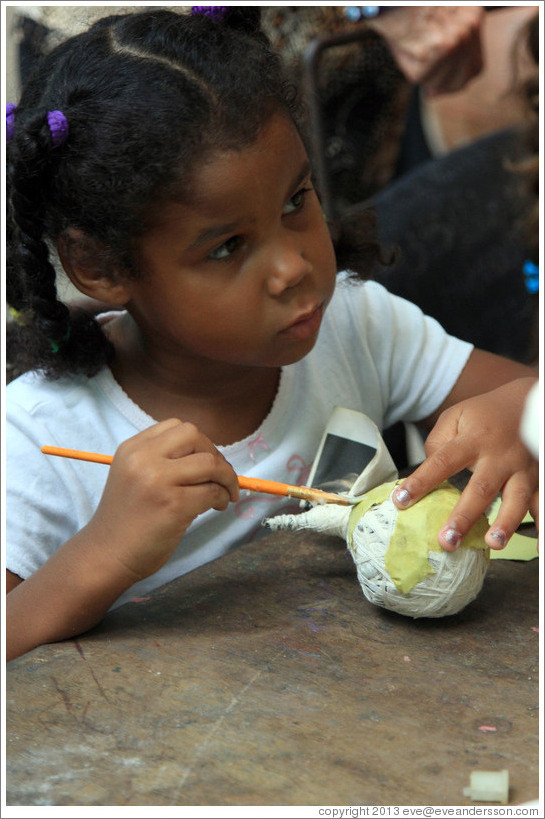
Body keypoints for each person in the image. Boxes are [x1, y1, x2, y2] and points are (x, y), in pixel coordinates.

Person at [5, 7, 538, 662]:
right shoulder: (40, 436)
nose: (293, 269)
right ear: (100, 267)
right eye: (228, 246)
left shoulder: (353, 323)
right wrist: (104, 552)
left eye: (295, 201)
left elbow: (525, 397)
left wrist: (513, 419)